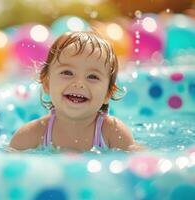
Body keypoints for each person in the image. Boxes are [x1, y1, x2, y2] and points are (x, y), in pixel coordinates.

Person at [10, 31, 140, 153]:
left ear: (108, 94)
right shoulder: (32, 135)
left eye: (92, 76)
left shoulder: (113, 132)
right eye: (67, 72)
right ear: (46, 84)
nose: (79, 83)